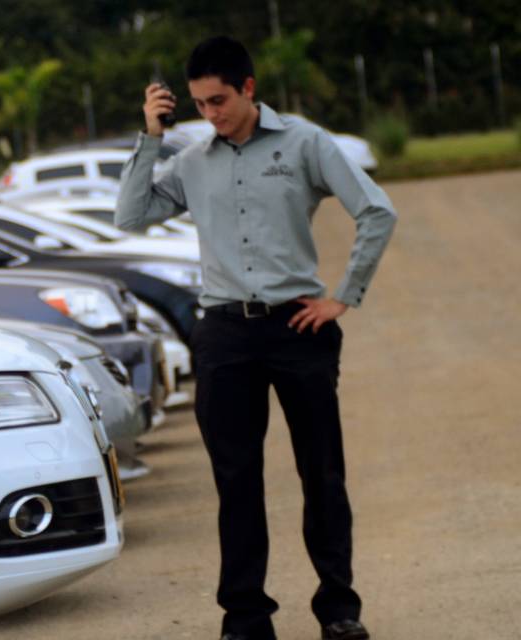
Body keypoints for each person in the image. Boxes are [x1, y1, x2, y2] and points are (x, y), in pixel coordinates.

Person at [115, 36, 397, 640]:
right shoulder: (190, 160)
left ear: (248, 87)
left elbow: (376, 210)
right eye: (196, 104)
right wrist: (152, 135)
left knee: (322, 473)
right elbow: (130, 216)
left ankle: (340, 610)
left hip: (299, 327)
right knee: (235, 480)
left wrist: (344, 296)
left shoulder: (305, 143)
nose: (209, 114)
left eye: (218, 100)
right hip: (223, 335)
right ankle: (245, 619)